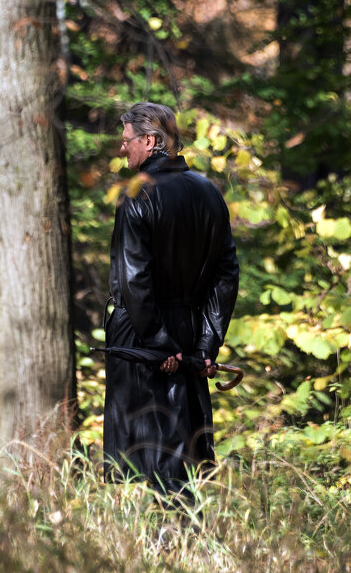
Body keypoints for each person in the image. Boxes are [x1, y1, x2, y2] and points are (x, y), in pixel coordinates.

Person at [103, 102, 240, 492]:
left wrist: (159, 346)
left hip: (142, 336)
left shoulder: (136, 193)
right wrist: (205, 344)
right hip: (187, 331)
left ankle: (153, 547)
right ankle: (182, 545)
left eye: (127, 140)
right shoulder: (208, 191)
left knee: (142, 460)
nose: (122, 148)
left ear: (149, 141)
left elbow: (135, 281)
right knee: (185, 455)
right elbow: (226, 274)